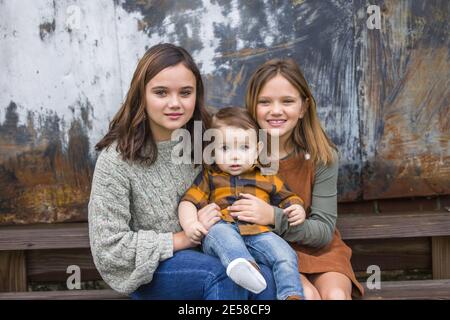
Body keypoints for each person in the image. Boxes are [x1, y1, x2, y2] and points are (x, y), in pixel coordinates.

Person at [88, 43, 276, 299]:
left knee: (263, 277)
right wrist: (184, 238)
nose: (174, 103)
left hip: (216, 250)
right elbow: (109, 248)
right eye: (161, 92)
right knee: (223, 277)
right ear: (141, 95)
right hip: (154, 272)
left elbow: (251, 167)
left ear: (196, 95)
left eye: (185, 92)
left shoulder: (208, 140)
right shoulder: (117, 160)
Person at [240, 58, 364, 299]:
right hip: (271, 252)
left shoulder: (321, 156)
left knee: (336, 295)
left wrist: (273, 217)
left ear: (304, 106)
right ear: (252, 106)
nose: (276, 110)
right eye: (264, 102)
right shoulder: (239, 156)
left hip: (319, 249)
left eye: (287, 101)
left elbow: (323, 232)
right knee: (305, 295)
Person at [178, 107, 305, 300]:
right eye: (225, 148)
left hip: (259, 233)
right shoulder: (211, 176)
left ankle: (291, 295)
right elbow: (188, 202)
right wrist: (190, 224)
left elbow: (288, 197)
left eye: (244, 148)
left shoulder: (267, 175)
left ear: (258, 150)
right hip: (223, 229)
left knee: (285, 254)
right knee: (221, 234)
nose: (234, 156)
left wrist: (296, 208)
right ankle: (245, 266)